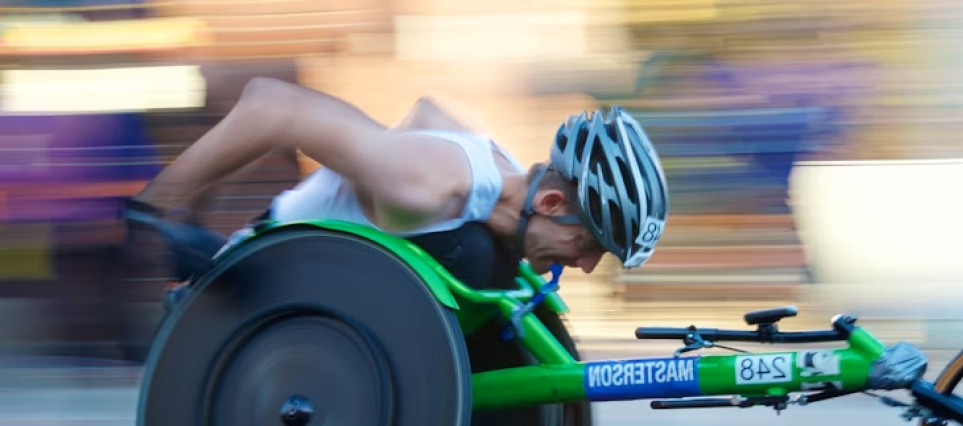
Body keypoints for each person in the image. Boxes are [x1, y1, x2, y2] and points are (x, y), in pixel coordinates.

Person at [131, 77, 670, 295]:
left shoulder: (496, 171)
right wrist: (166, 213)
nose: (585, 266)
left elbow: (427, 109)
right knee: (476, 256)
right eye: (590, 245)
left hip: (338, 284)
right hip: (262, 284)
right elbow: (271, 107)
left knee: (487, 260)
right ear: (551, 204)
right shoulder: (424, 186)